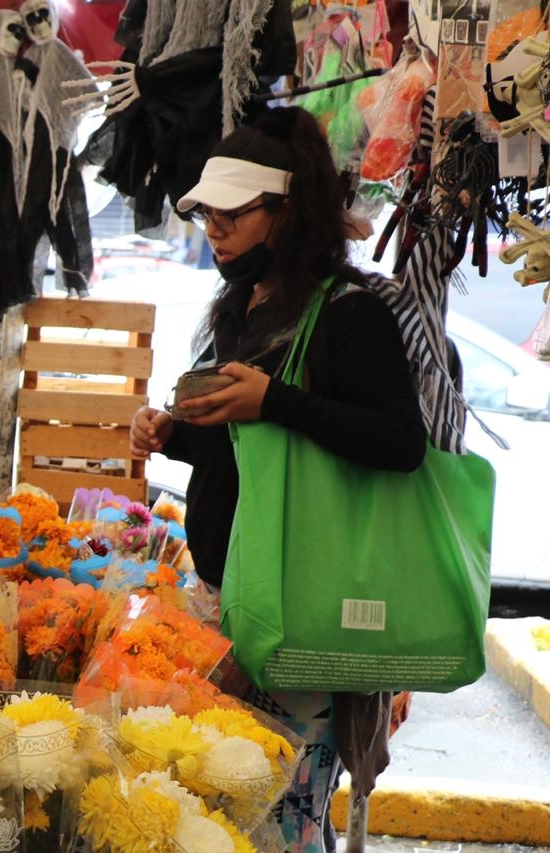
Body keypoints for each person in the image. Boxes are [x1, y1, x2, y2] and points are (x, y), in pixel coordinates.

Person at [129, 107, 426, 852]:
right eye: (207, 216)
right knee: (224, 819)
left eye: (233, 214)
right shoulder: (243, 307)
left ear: (288, 212)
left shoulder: (350, 315)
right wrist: (176, 435)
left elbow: (399, 443)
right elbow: (251, 454)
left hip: (303, 614)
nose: (215, 230)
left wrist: (277, 400)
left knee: (278, 826)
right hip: (234, 601)